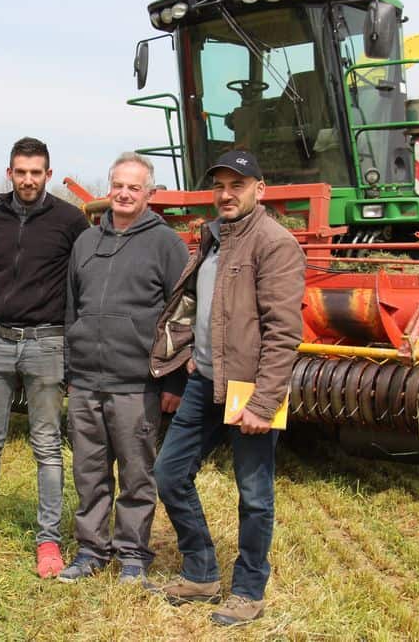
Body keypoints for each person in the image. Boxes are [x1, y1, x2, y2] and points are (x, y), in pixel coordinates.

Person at [147, 150, 306, 626]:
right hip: (205, 380)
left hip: (250, 388)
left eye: (237, 184)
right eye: (219, 185)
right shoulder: (213, 239)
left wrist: (264, 400)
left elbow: (283, 331)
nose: (226, 194)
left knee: (254, 493)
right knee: (169, 474)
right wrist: (192, 354)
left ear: (261, 189)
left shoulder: (274, 243)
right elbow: (204, 306)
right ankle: (200, 571)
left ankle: (249, 589)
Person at [0, 137, 89, 578]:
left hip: (48, 343)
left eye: (36, 172)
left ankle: (48, 540)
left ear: (48, 174)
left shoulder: (71, 221)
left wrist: (71, 346)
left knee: (47, 447)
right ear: (9, 174)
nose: (28, 180)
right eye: (20, 172)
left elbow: (79, 285)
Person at [58, 153, 189, 585]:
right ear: (108, 188)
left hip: (137, 384)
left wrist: (172, 379)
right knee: (89, 473)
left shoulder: (166, 244)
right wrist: (70, 369)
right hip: (86, 382)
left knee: (136, 475)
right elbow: (70, 308)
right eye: (118, 185)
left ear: (150, 193)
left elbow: (181, 315)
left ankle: (133, 555)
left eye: (134, 187)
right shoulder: (85, 243)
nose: (125, 193)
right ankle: (91, 550)